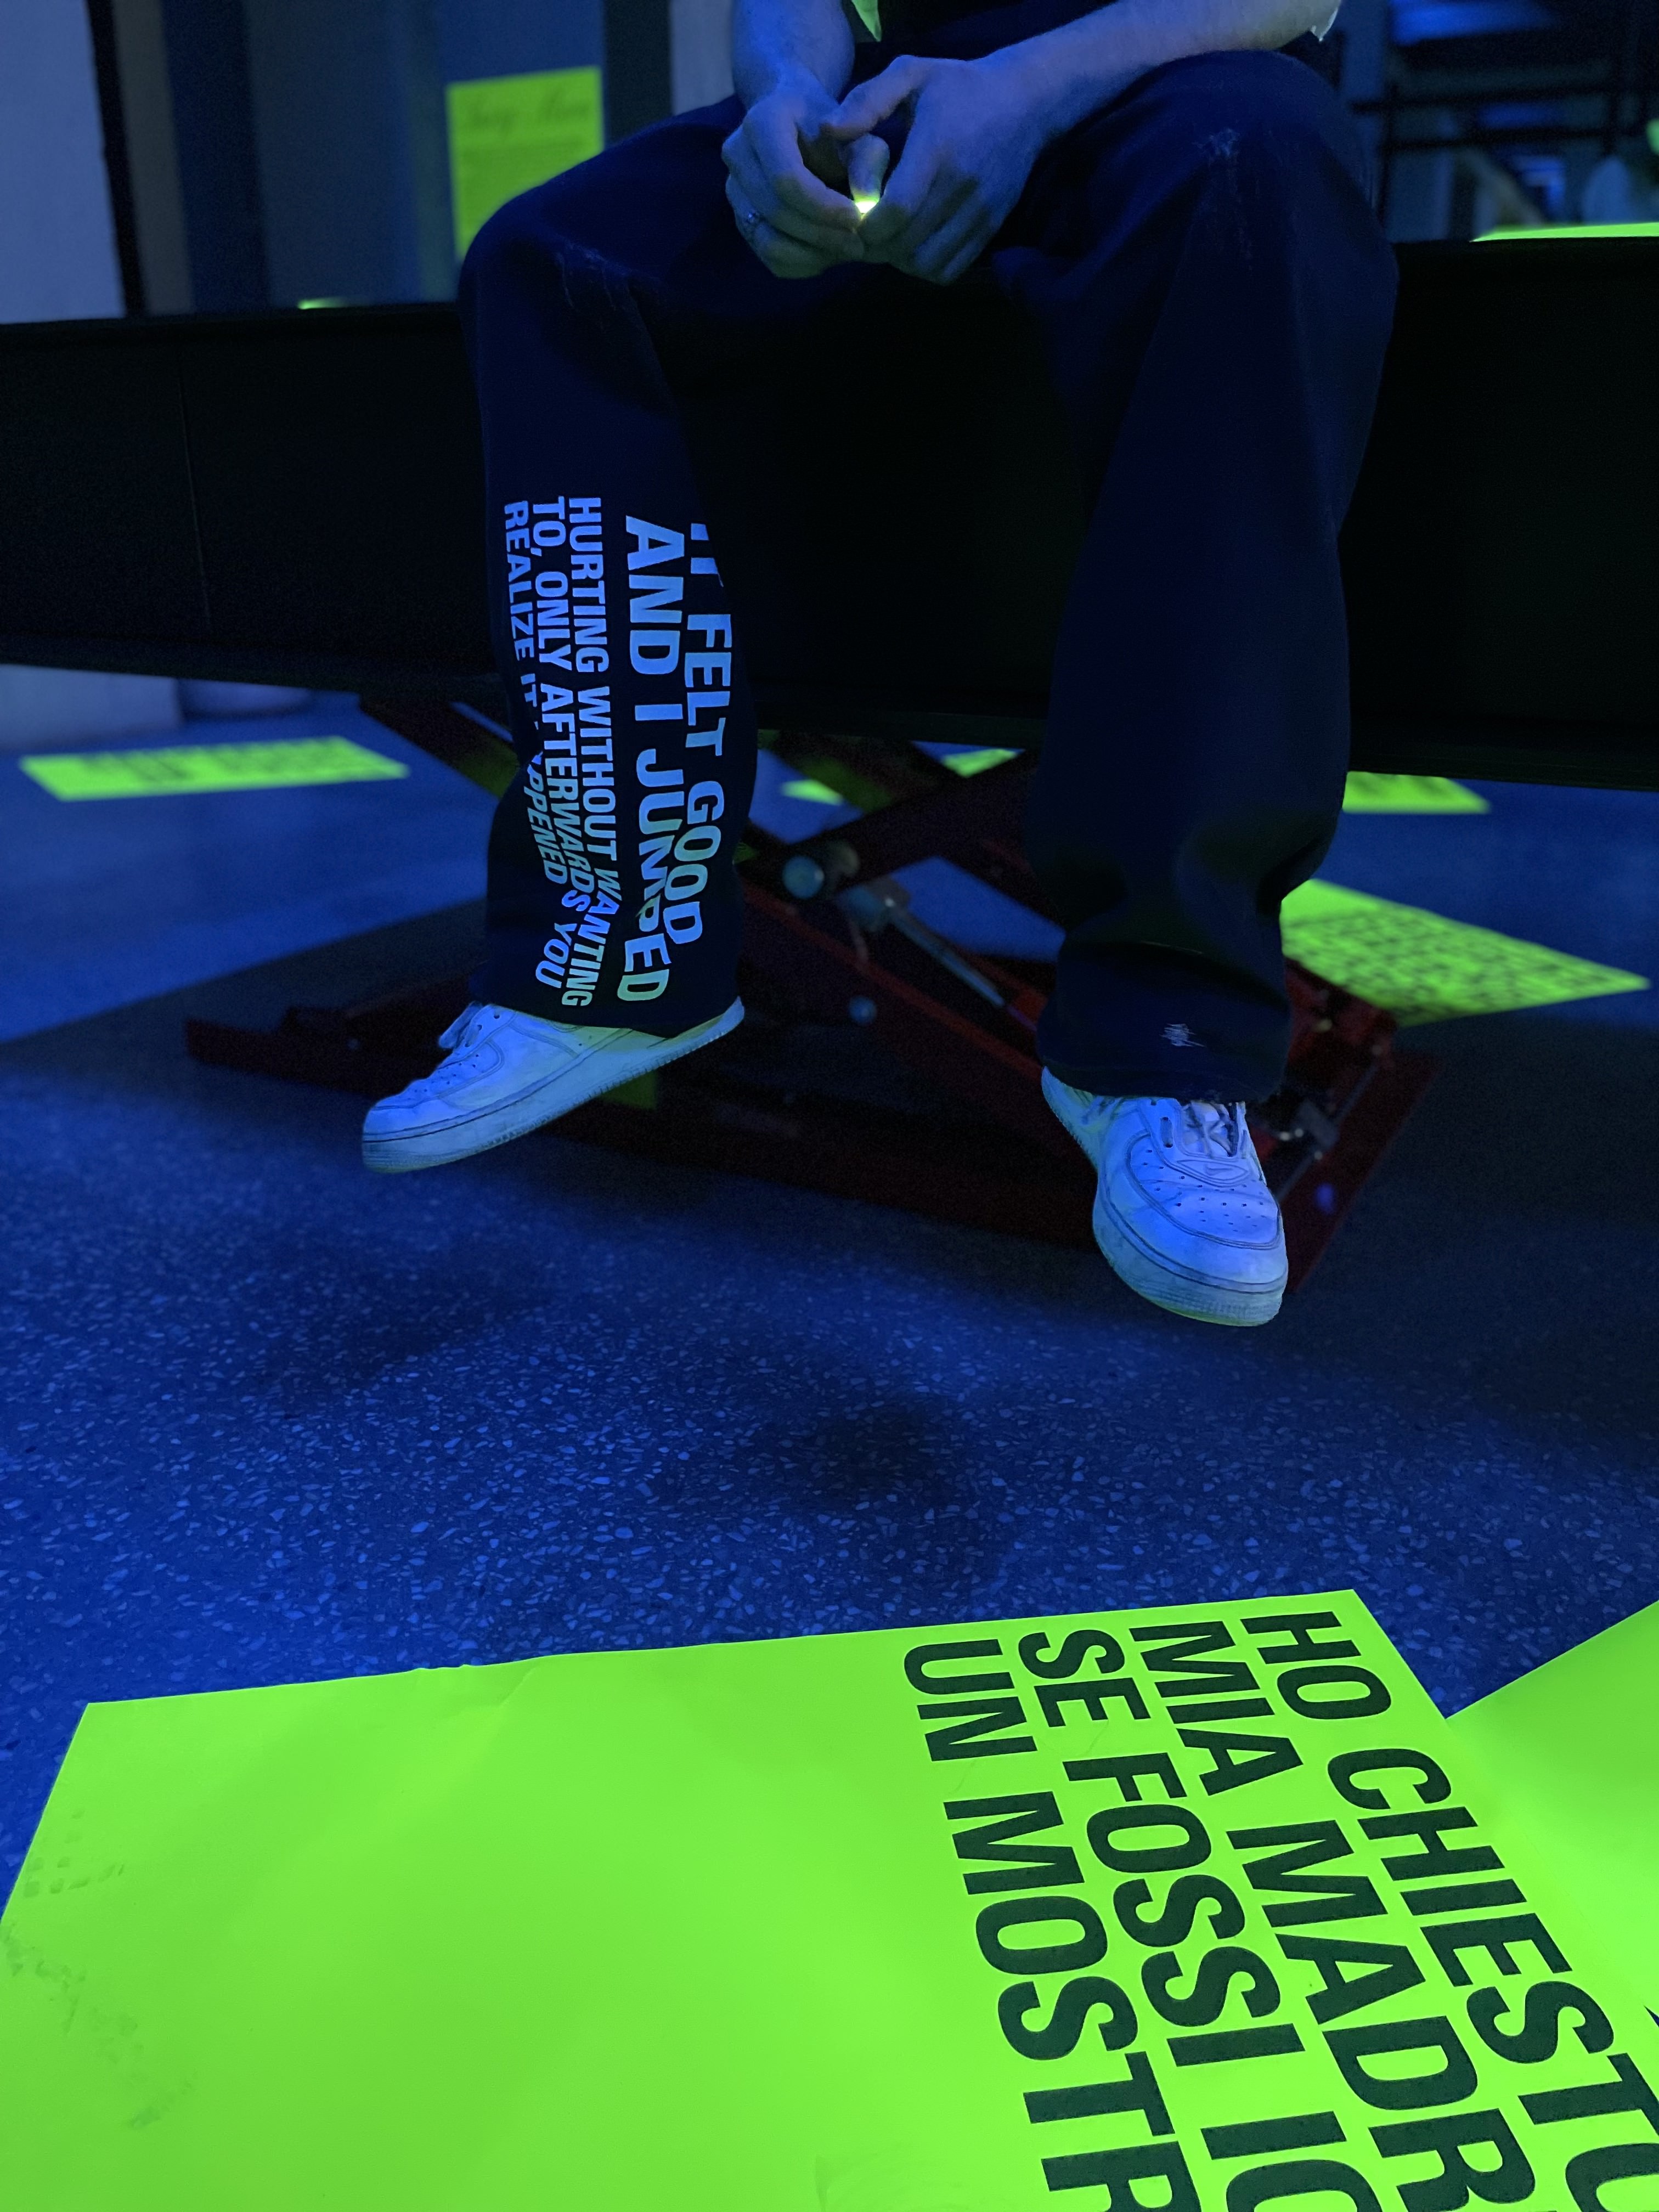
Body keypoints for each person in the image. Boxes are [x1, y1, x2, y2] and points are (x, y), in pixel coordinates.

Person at [361, 0, 1397, 1329]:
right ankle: (624, 953)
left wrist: (1030, 85)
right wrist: (785, 100)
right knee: (554, 259)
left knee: (1252, 168)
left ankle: (1167, 1033)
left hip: (1177, 76)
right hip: (895, 106)